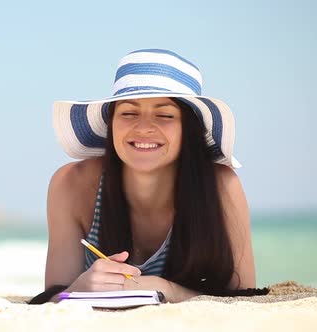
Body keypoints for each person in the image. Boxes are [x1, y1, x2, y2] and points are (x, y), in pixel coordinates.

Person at [42, 49, 256, 303]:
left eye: (165, 115)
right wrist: (80, 287)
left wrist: (164, 288)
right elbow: (52, 299)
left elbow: (245, 297)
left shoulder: (221, 185)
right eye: (129, 113)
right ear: (111, 124)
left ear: (188, 129)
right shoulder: (71, 184)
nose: (143, 128)